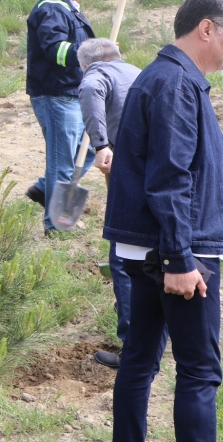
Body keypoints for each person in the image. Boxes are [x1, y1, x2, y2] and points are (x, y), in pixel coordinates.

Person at [103, 0, 223, 442]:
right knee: (199, 370)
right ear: (207, 28)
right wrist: (179, 259)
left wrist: (219, 148)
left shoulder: (168, 78)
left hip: (155, 245)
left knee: (139, 359)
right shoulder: (175, 84)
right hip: (176, 249)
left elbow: (170, 157)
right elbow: (168, 178)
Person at [76, 38, 142, 370]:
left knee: (124, 259)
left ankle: (134, 351)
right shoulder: (138, 72)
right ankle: (155, 337)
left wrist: (101, 145)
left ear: (88, 65)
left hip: (132, 174)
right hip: (161, 173)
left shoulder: (96, 74)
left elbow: (89, 90)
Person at [25, 0, 96, 233]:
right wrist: (93, 53)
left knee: (88, 151)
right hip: (56, 95)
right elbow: (55, 50)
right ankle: (56, 226)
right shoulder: (52, 9)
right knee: (64, 162)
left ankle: (45, 189)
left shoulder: (68, 8)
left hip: (71, 93)